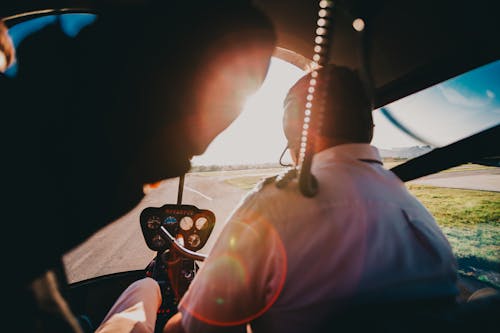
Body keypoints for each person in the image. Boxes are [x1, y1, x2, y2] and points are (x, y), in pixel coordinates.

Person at [4, 1, 276, 332]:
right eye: (146, 173)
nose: (144, 185)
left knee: (145, 287)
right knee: (146, 289)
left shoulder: (26, 260)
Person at [162, 64, 458, 333]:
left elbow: (195, 330)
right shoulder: (419, 216)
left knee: (143, 294)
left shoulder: (272, 205)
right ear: (366, 128)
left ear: (296, 130)